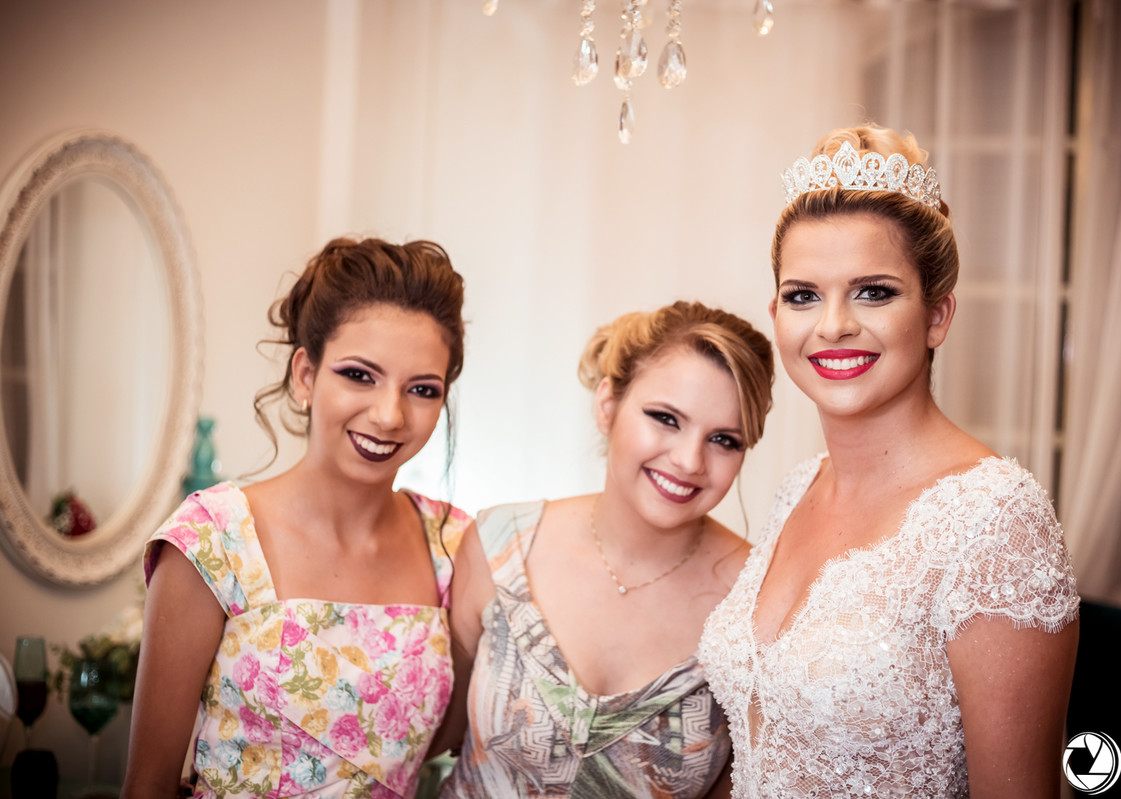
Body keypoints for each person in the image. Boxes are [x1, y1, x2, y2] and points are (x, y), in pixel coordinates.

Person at [697, 125, 1081, 798]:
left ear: (937, 315)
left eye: (873, 291)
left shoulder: (996, 520)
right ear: (776, 312)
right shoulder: (796, 489)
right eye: (803, 294)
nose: (834, 325)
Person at [123, 237, 471, 799]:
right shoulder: (213, 539)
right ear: (306, 376)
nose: (389, 415)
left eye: (422, 389)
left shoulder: (455, 546)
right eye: (360, 375)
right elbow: (146, 787)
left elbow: (452, 740)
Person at [436, 301, 774, 799]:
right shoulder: (499, 543)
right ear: (607, 405)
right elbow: (433, 730)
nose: (688, 460)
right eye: (665, 418)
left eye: (724, 440)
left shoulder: (760, 600)